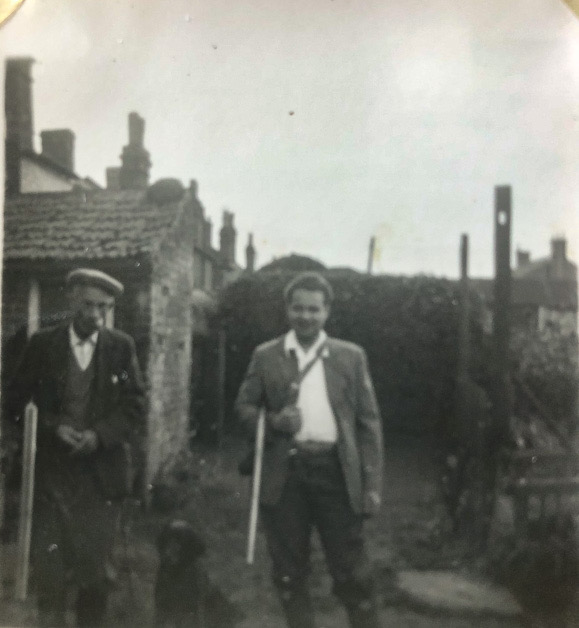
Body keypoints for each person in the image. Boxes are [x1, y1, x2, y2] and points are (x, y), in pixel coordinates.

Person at [236, 272, 383, 628]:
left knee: (351, 572)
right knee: (289, 573)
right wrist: (273, 421)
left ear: (327, 312)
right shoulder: (267, 355)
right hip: (286, 476)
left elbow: (369, 423)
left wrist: (372, 485)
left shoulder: (350, 357)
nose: (305, 316)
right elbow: (243, 407)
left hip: (336, 473)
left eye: (314, 310)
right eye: (298, 308)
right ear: (287, 310)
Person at [4, 268, 146, 627]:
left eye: (104, 307)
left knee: (95, 573)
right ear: (71, 299)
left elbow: (134, 406)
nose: (96, 315)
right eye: (88, 305)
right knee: (50, 573)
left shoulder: (120, 348)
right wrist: (54, 427)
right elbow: (13, 402)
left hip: (100, 479)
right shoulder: (41, 345)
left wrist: (99, 436)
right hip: (51, 475)